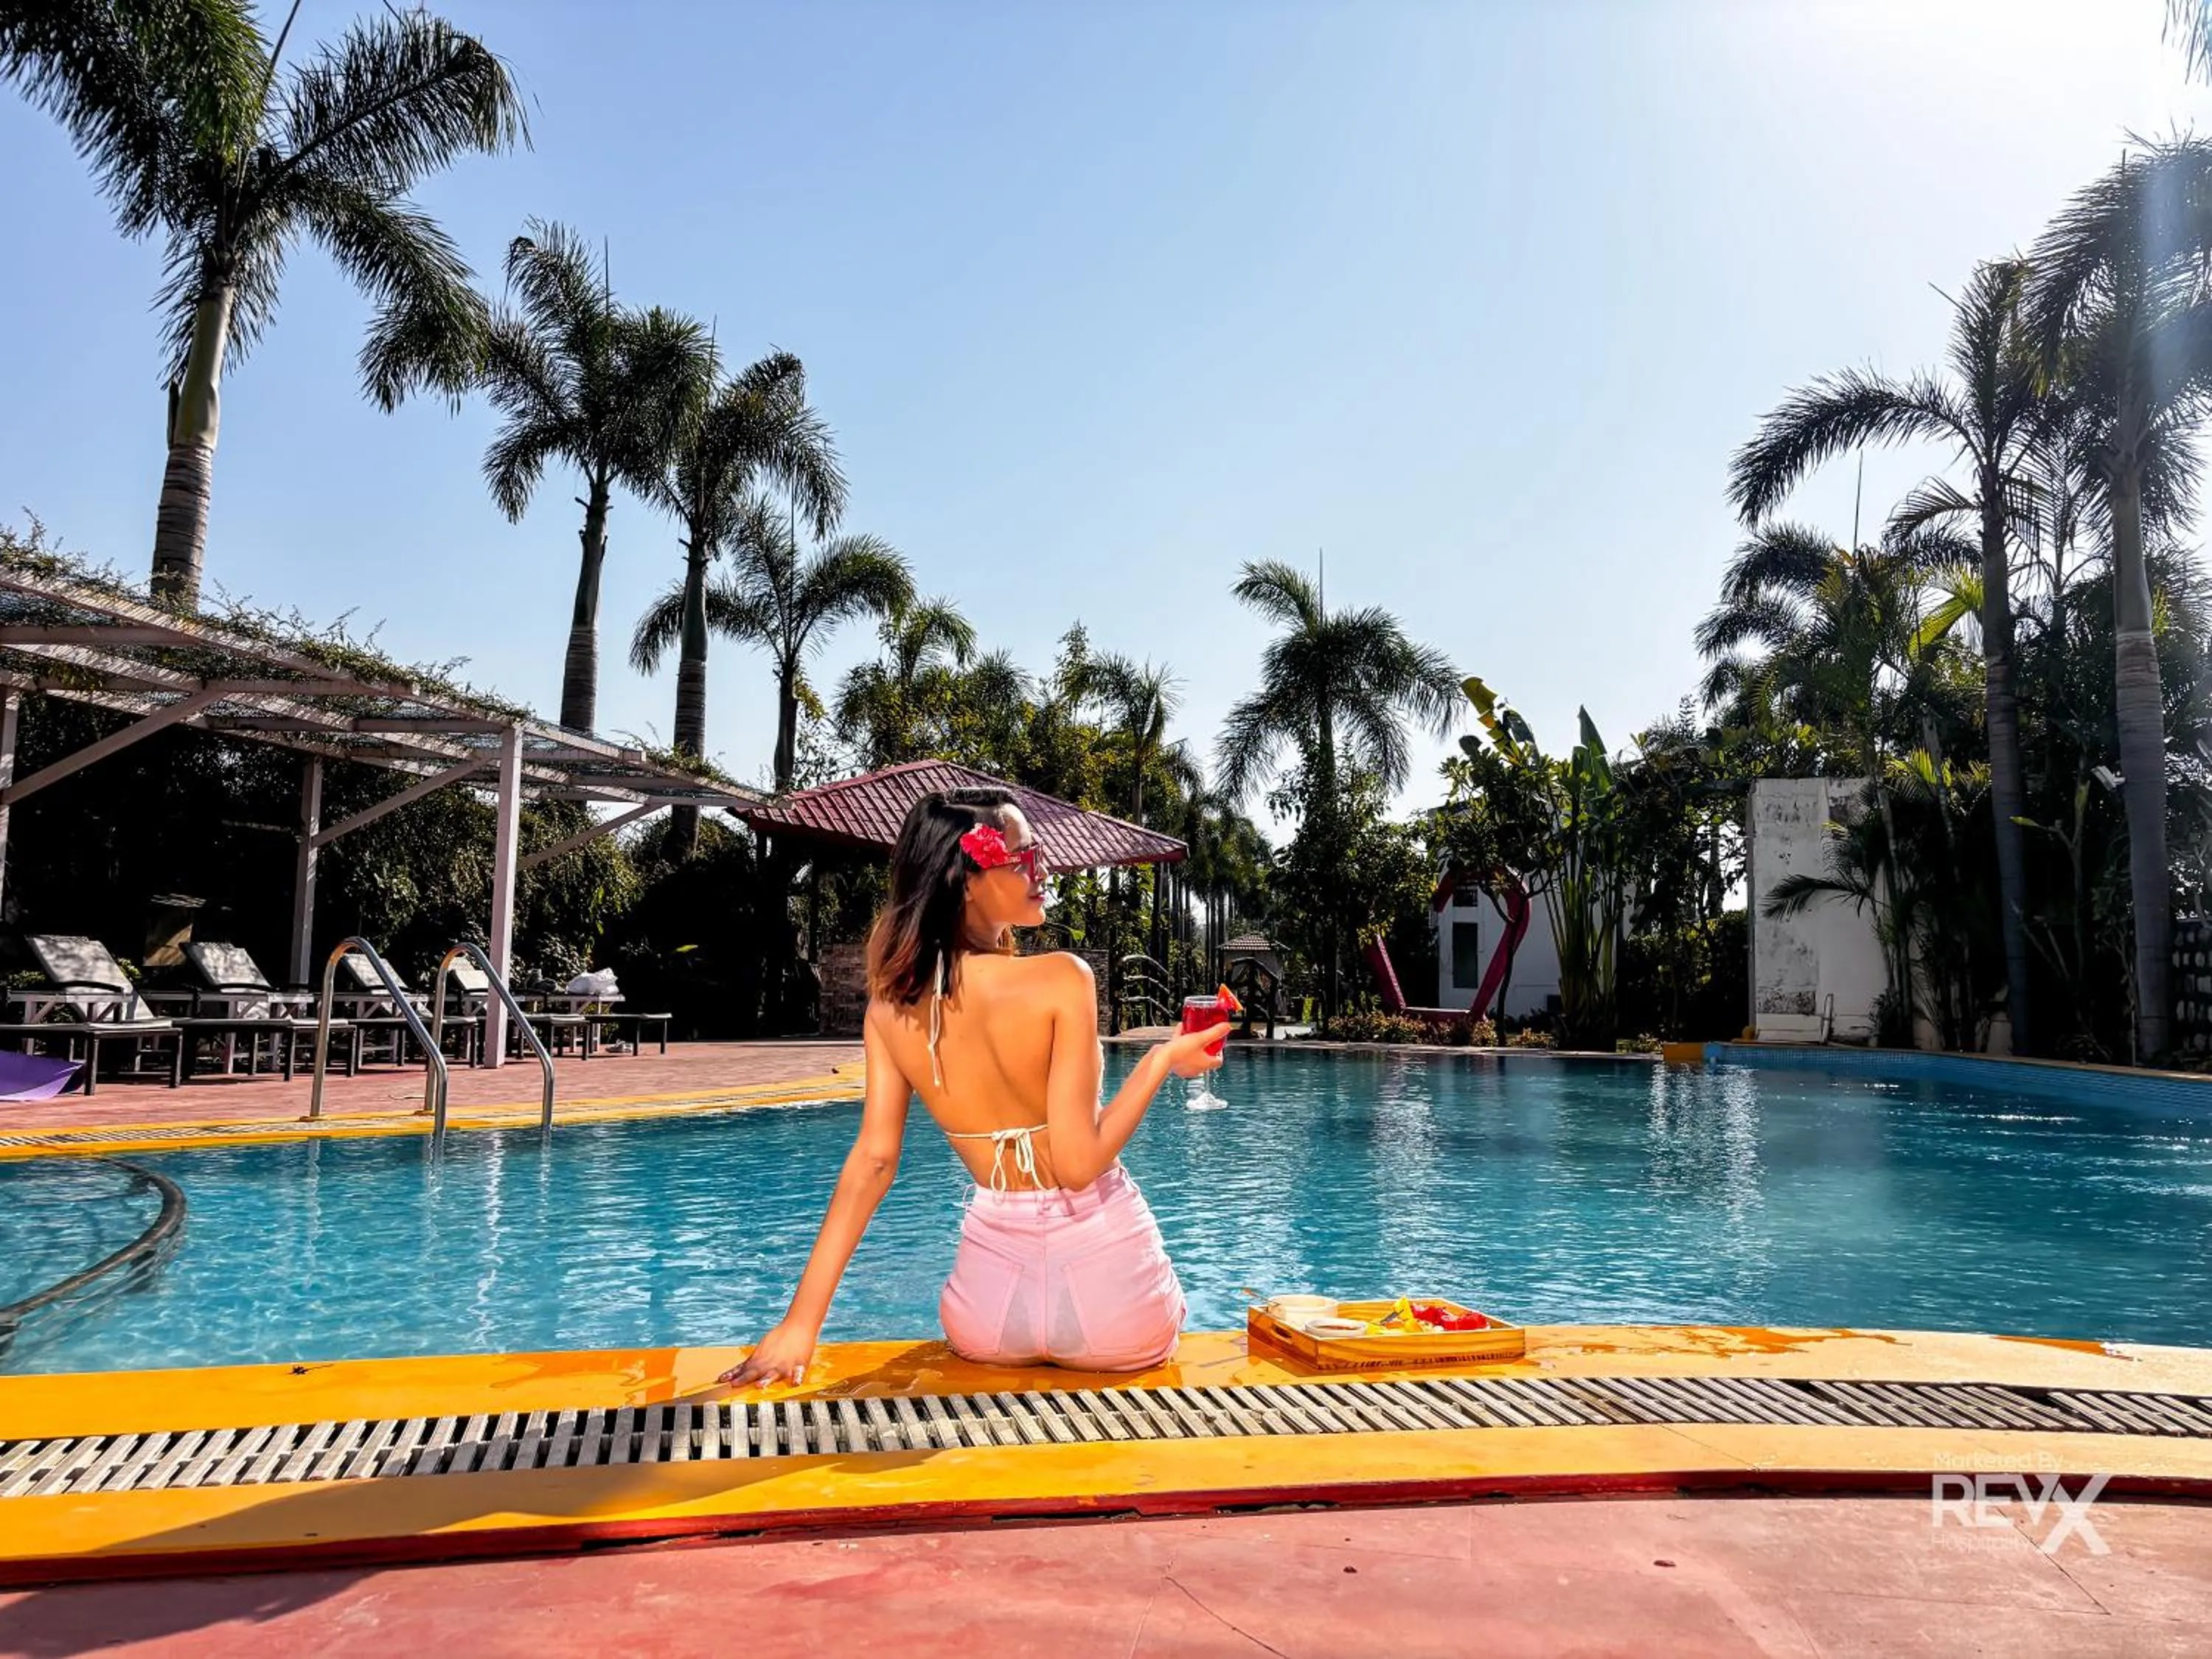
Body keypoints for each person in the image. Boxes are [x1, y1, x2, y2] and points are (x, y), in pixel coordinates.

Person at [720, 787, 1228, 1387]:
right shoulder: (1065, 978)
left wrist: (799, 1327)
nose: (1044, 874)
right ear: (966, 880)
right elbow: (1076, 1164)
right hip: (1113, 1309)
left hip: (990, 1321)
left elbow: (873, 1164)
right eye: (1023, 859)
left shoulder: (890, 1009)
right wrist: (1160, 1062)